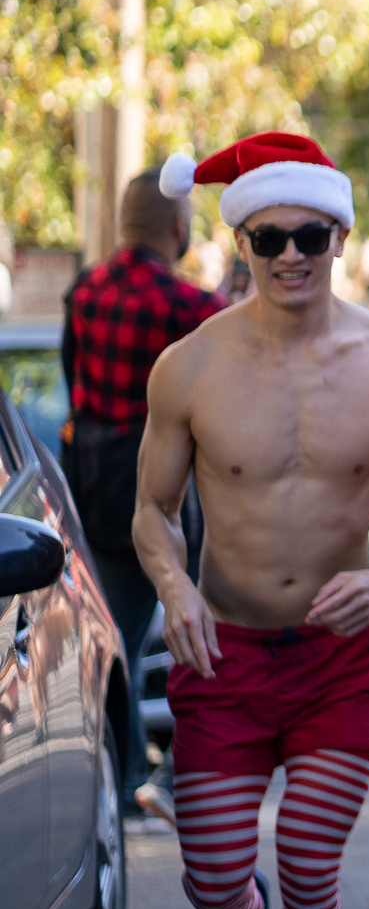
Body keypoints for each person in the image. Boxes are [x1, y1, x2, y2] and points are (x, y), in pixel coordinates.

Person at [134, 132, 369, 909]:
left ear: (341, 236)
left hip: (336, 661)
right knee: (212, 879)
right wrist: (175, 587)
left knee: (312, 859)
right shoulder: (189, 367)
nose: (290, 257)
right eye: (269, 239)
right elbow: (151, 512)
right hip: (222, 655)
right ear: (240, 243)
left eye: (310, 237)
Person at [61, 167, 226, 823]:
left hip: (98, 489)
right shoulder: (193, 307)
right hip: (173, 494)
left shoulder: (84, 292)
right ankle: (185, 771)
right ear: (179, 227)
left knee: (116, 645)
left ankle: (125, 775)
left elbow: (73, 385)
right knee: (204, 629)